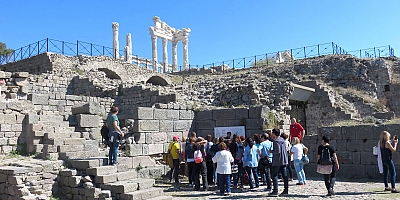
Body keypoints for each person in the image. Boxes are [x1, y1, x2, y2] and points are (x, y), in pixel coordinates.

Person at [268, 128, 288, 197]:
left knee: (274, 175)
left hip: (277, 161)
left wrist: (271, 151)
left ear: (274, 133)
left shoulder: (276, 141)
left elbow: (277, 151)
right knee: (285, 175)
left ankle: (275, 191)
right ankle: (286, 190)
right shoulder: (282, 140)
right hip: (284, 160)